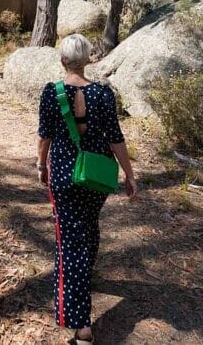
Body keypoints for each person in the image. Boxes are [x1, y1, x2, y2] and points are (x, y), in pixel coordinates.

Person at [36, 34, 137, 344]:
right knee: (88, 229)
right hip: (95, 177)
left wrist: (41, 166)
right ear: (89, 59)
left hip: (64, 176)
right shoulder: (103, 94)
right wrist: (129, 175)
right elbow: (115, 138)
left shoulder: (52, 93)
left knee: (70, 246)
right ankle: (84, 275)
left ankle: (82, 326)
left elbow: (45, 136)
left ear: (63, 60)